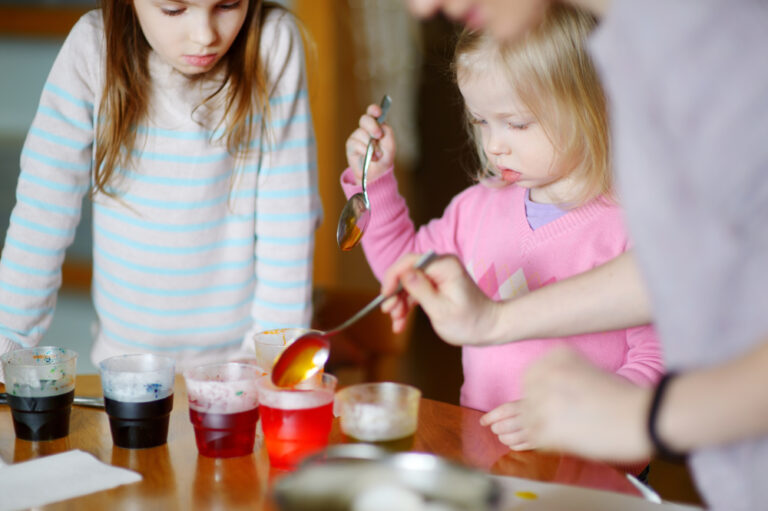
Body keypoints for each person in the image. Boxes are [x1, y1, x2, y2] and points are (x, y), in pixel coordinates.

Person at [386, 1, 768, 509]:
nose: (425, 7)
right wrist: (493, 322)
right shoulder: (641, 48)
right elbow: (677, 268)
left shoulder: (728, 48)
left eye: (517, 123)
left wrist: (638, 418)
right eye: (482, 121)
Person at [342, 5, 663, 417]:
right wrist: (376, 180)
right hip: (485, 449)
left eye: (517, 124)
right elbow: (402, 270)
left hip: (589, 468)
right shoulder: (476, 209)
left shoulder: (634, 224)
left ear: (592, 104)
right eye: (481, 121)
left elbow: (655, 363)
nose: (494, 145)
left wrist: (573, 414)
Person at [0, 0, 320, 374]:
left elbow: (289, 220)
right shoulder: (92, 46)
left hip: (238, 371)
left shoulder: (272, 42)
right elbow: (42, 212)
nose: (205, 36)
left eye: (228, 5)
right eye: (173, 9)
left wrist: (274, 362)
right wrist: (7, 341)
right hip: (125, 369)